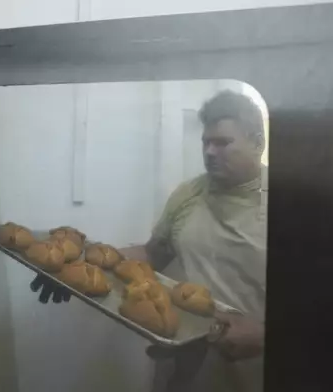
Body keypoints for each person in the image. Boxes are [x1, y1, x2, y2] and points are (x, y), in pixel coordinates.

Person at [31, 90, 267, 392]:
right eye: (206, 142)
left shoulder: (294, 205)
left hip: (253, 369)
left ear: (257, 143)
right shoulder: (189, 194)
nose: (209, 152)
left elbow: (326, 308)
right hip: (185, 363)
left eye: (222, 143)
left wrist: (265, 335)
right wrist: (73, 264)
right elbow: (152, 255)